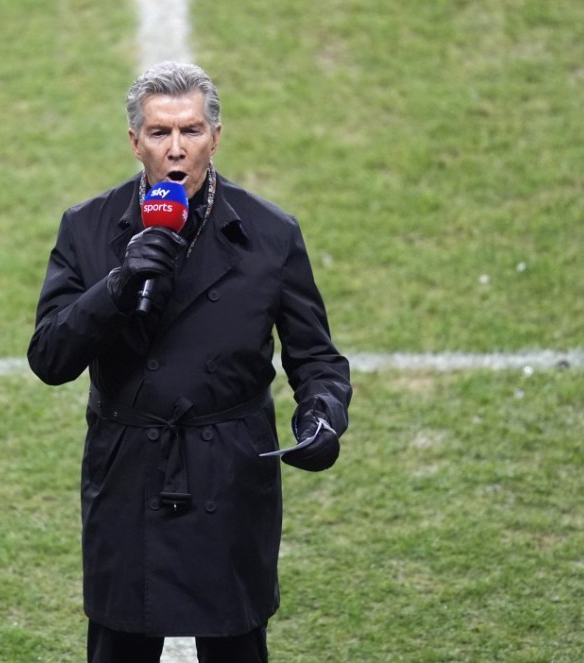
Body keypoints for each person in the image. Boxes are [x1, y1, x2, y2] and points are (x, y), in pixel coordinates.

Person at [27, 61, 352, 663]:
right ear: (134, 142)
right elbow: (49, 357)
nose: (176, 149)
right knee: (120, 646)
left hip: (227, 478)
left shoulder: (271, 234)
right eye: (159, 133)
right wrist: (119, 285)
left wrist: (324, 415)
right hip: (129, 480)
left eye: (191, 131)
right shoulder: (88, 229)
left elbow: (316, 359)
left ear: (216, 137)